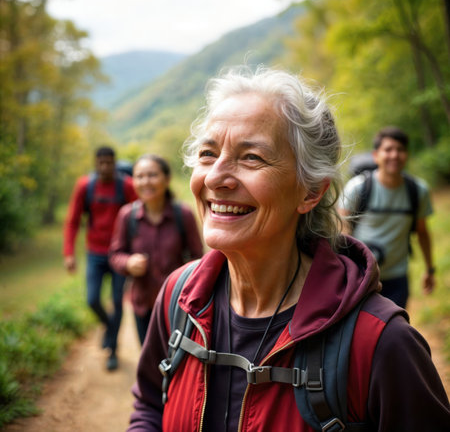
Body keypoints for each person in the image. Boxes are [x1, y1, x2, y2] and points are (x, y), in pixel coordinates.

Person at [127, 67, 449, 431]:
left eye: (251, 157)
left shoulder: (380, 342)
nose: (215, 177)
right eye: (207, 153)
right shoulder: (178, 297)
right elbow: (151, 405)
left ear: (310, 192)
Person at [109, 154, 204, 345]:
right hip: (143, 304)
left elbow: (197, 259)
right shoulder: (127, 215)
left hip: (177, 306)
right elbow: (115, 254)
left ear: (166, 179)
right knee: (149, 364)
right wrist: (128, 262)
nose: (145, 182)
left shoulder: (182, 214)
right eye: (139, 176)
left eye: (152, 175)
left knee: (177, 364)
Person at [338, 127, 435, 308]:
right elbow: (341, 228)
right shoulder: (357, 188)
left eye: (400, 150)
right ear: (376, 155)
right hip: (360, 277)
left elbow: (422, 232)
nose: (394, 155)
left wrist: (430, 269)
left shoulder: (417, 191)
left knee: (393, 332)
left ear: (407, 155)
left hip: (397, 278)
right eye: (388, 149)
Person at [63, 146, 137, 371]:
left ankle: (113, 351)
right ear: (96, 164)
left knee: (117, 301)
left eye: (109, 163)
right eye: (101, 163)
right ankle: (109, 326)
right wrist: (69, 253)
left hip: (119, 254)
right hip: (94, 253)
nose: (105, 167)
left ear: (115, 163)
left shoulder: (127, 186)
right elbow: (73, 221)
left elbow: (138, 216)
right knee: (92, 300)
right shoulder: (85, 186)